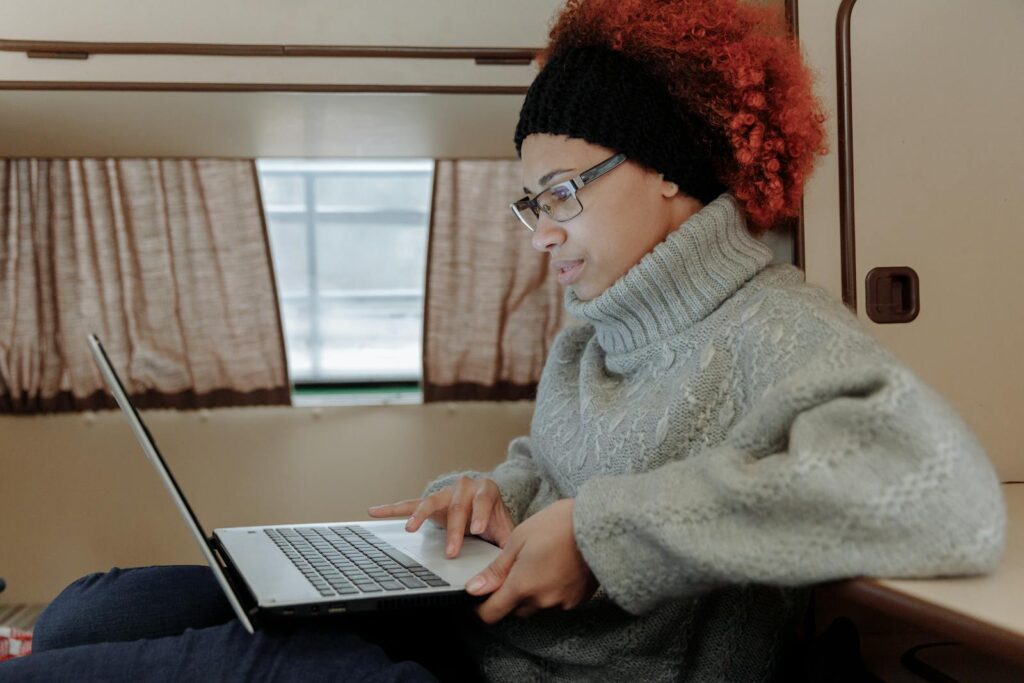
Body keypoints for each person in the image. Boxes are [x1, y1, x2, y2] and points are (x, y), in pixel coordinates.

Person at [1, 0, 1007, 681]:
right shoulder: (594, 330)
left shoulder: (775, 327)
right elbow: (549, 467)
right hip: (479, 630)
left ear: (666, 171)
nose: (545, 232)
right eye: (531, 204)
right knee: (95, 606)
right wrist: (489, 494)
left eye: (563, 194)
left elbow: (944, 498)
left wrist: (603, 533)